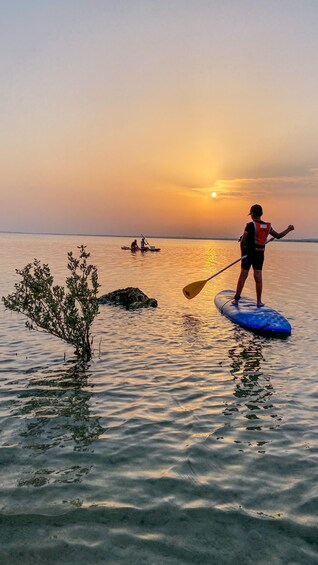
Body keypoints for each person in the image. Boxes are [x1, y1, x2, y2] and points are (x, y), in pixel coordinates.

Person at [232, 204, 294, 307]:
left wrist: (243, 254)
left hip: (248, 255)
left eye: (250, 214)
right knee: (258, 277)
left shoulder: (250, 225)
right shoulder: (267, 226)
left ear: (252, 214)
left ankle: (236, 300)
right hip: (259, 255)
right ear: (261, 214)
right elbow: (278, 236)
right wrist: (288, 229)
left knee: (243, 275)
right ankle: (259, 302)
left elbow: (243, 242)